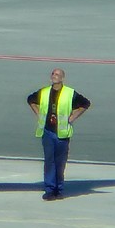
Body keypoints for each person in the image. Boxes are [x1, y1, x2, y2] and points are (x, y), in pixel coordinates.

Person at [27, 68, 91, 201]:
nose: (54, 76)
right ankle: (50, 189)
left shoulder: (70, 93)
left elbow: (85, 104)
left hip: (62, 133)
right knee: (49, 161)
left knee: (60, 162)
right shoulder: (44, 92)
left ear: (62, 78)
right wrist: (38, 114)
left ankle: (59, 189)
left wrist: (73, 117)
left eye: (57, 74)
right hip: (48, 131)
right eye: (53, 74)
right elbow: (30, 100)